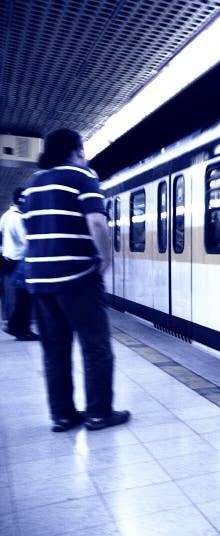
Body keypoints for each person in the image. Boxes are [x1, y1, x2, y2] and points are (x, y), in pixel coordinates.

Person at [23, 128, 130, 432]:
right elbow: (96, 220)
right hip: (78, 277)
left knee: (55, 351)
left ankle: (63, 416)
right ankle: (98, 414)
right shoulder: (83, 177)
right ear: (78, 150)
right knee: (95, 347)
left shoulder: (32, 185)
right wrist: (106, 257)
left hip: (39, 280)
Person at [1, 187, 39, 341]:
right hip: (19, 261)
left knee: (22, 296)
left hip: (7, 259)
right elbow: (26, 242)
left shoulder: (6, 215)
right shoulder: (18, 218)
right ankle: (22, 330)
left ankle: (14, 326)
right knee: (26, 297)